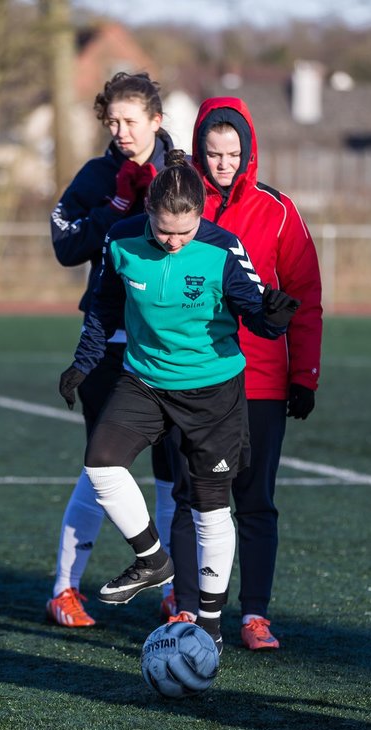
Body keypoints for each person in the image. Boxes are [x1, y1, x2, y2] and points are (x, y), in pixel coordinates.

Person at [57, 151, 300, 651]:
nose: (174, 241)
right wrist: (83, 362)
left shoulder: (223, 248)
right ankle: (152, 559)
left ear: (199, 218)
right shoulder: (120, 239)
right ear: (148, 213)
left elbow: (253, 312)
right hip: (144, 381)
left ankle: (209, 622)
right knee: (101, 462)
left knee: (211, 509)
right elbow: (103, 305)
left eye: (185, 232)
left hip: (213, 392)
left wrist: (272, 318)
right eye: (165, 231)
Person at [160, 97, 324, 651]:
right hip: (192, 377)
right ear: (200, 149)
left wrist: (304, 373)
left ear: (248, 151)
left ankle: (254, 615)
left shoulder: (277, 210)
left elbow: (305, 296)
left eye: (232, 153)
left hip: (260, 383)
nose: (223, 162)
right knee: (191, 493)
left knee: (255, 500)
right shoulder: (178, 201)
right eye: (213, 152)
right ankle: (186, 609)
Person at [46, 72, 177, 628]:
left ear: (156, 120)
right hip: (110, 346)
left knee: (175, 475)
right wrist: (116, 205)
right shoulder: (97, 175)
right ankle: (64, 590)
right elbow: (65, 245)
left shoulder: (183, 175)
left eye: (131, 120)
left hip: (173, 347)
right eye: (113, 121)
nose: (121, 131)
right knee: (100, 470)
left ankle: (176, 592)